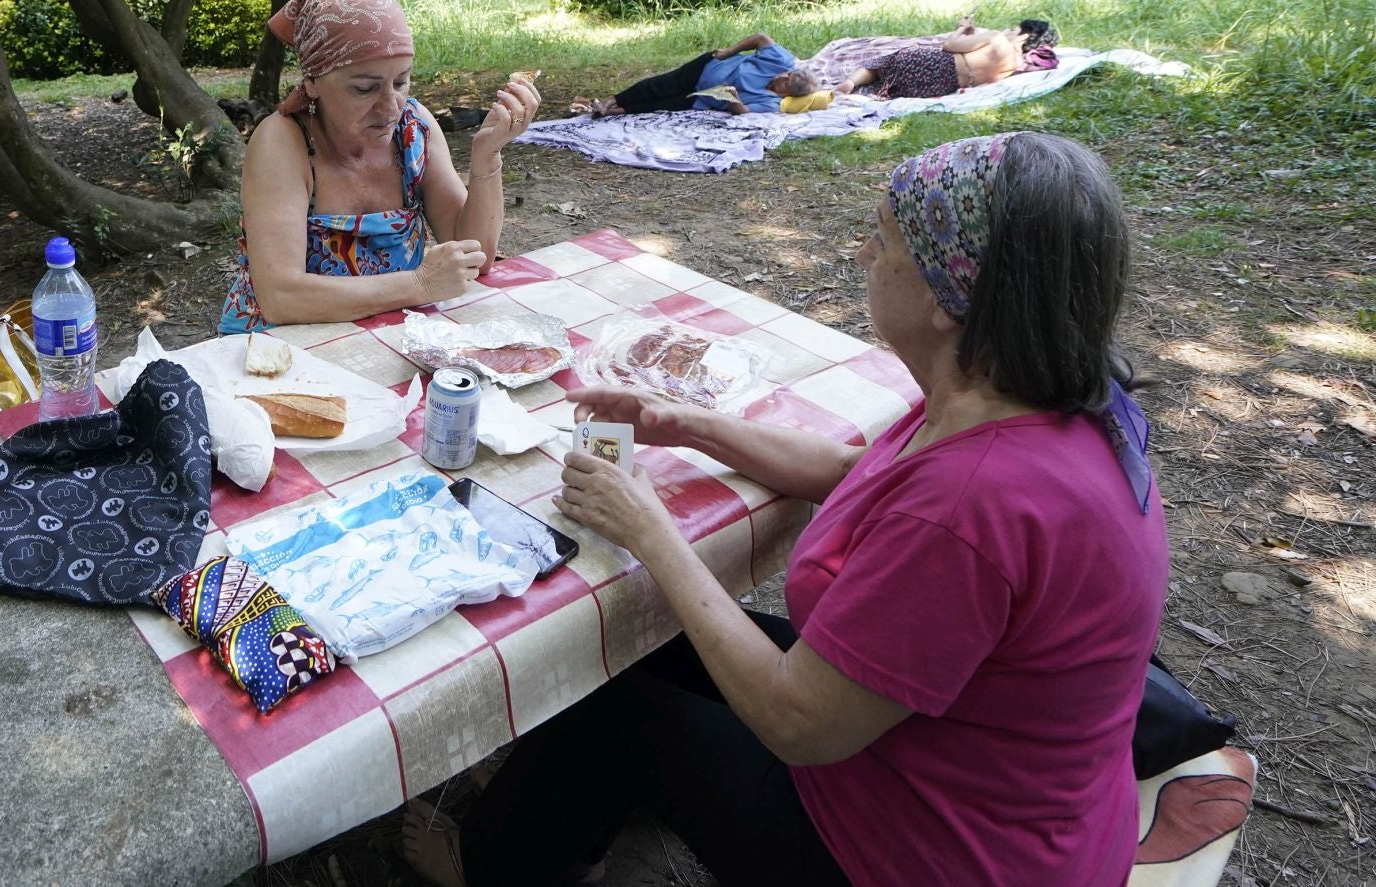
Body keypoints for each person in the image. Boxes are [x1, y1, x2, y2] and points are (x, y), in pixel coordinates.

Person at [403, 131, 1169, 887]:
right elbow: (854, 472)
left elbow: (796, 721)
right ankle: (579, 826)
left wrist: (648, 524)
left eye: (883, 239)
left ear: (948, 294)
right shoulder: (1025, 390)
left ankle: (489, 863)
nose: (865, 254)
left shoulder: (973, 503)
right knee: (629, 637)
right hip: (978, 775)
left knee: (614, 693)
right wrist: (684, 423)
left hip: (924, 848)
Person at [218, 0, 540, 333]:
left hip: (391, 332)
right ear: (312, 82)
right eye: (364, 88)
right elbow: (281, 298)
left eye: (400, 82)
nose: (390, 107)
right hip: (279, 350)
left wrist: (487, 156)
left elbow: (473, 256)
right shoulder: (282, 142)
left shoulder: (414, 129)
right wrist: (420, 285)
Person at [570, 34, 808, 116]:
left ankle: (608, 112)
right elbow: (760, 38)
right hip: (706, 68)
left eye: (786, 82)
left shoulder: (771, 102)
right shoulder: (780, 60)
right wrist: (728, 52)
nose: (782, 77)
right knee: (661, 85)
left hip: (705, 98)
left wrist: (733, 98)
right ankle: (610, 100)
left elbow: (744, 113)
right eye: (787, 75)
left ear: (788, 92)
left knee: (663, 105)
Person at [836, 17, 1059, 98]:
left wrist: (961, 29)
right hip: (940, 85)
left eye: (1015, 28)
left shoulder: (998, 39)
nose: (1009, 29)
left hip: (935, 64)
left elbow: (949, 45)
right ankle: (873, 87)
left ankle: (852, 81)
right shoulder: (1016, 66)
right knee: (888, 83)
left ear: (1024, 34)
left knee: (880, 64)